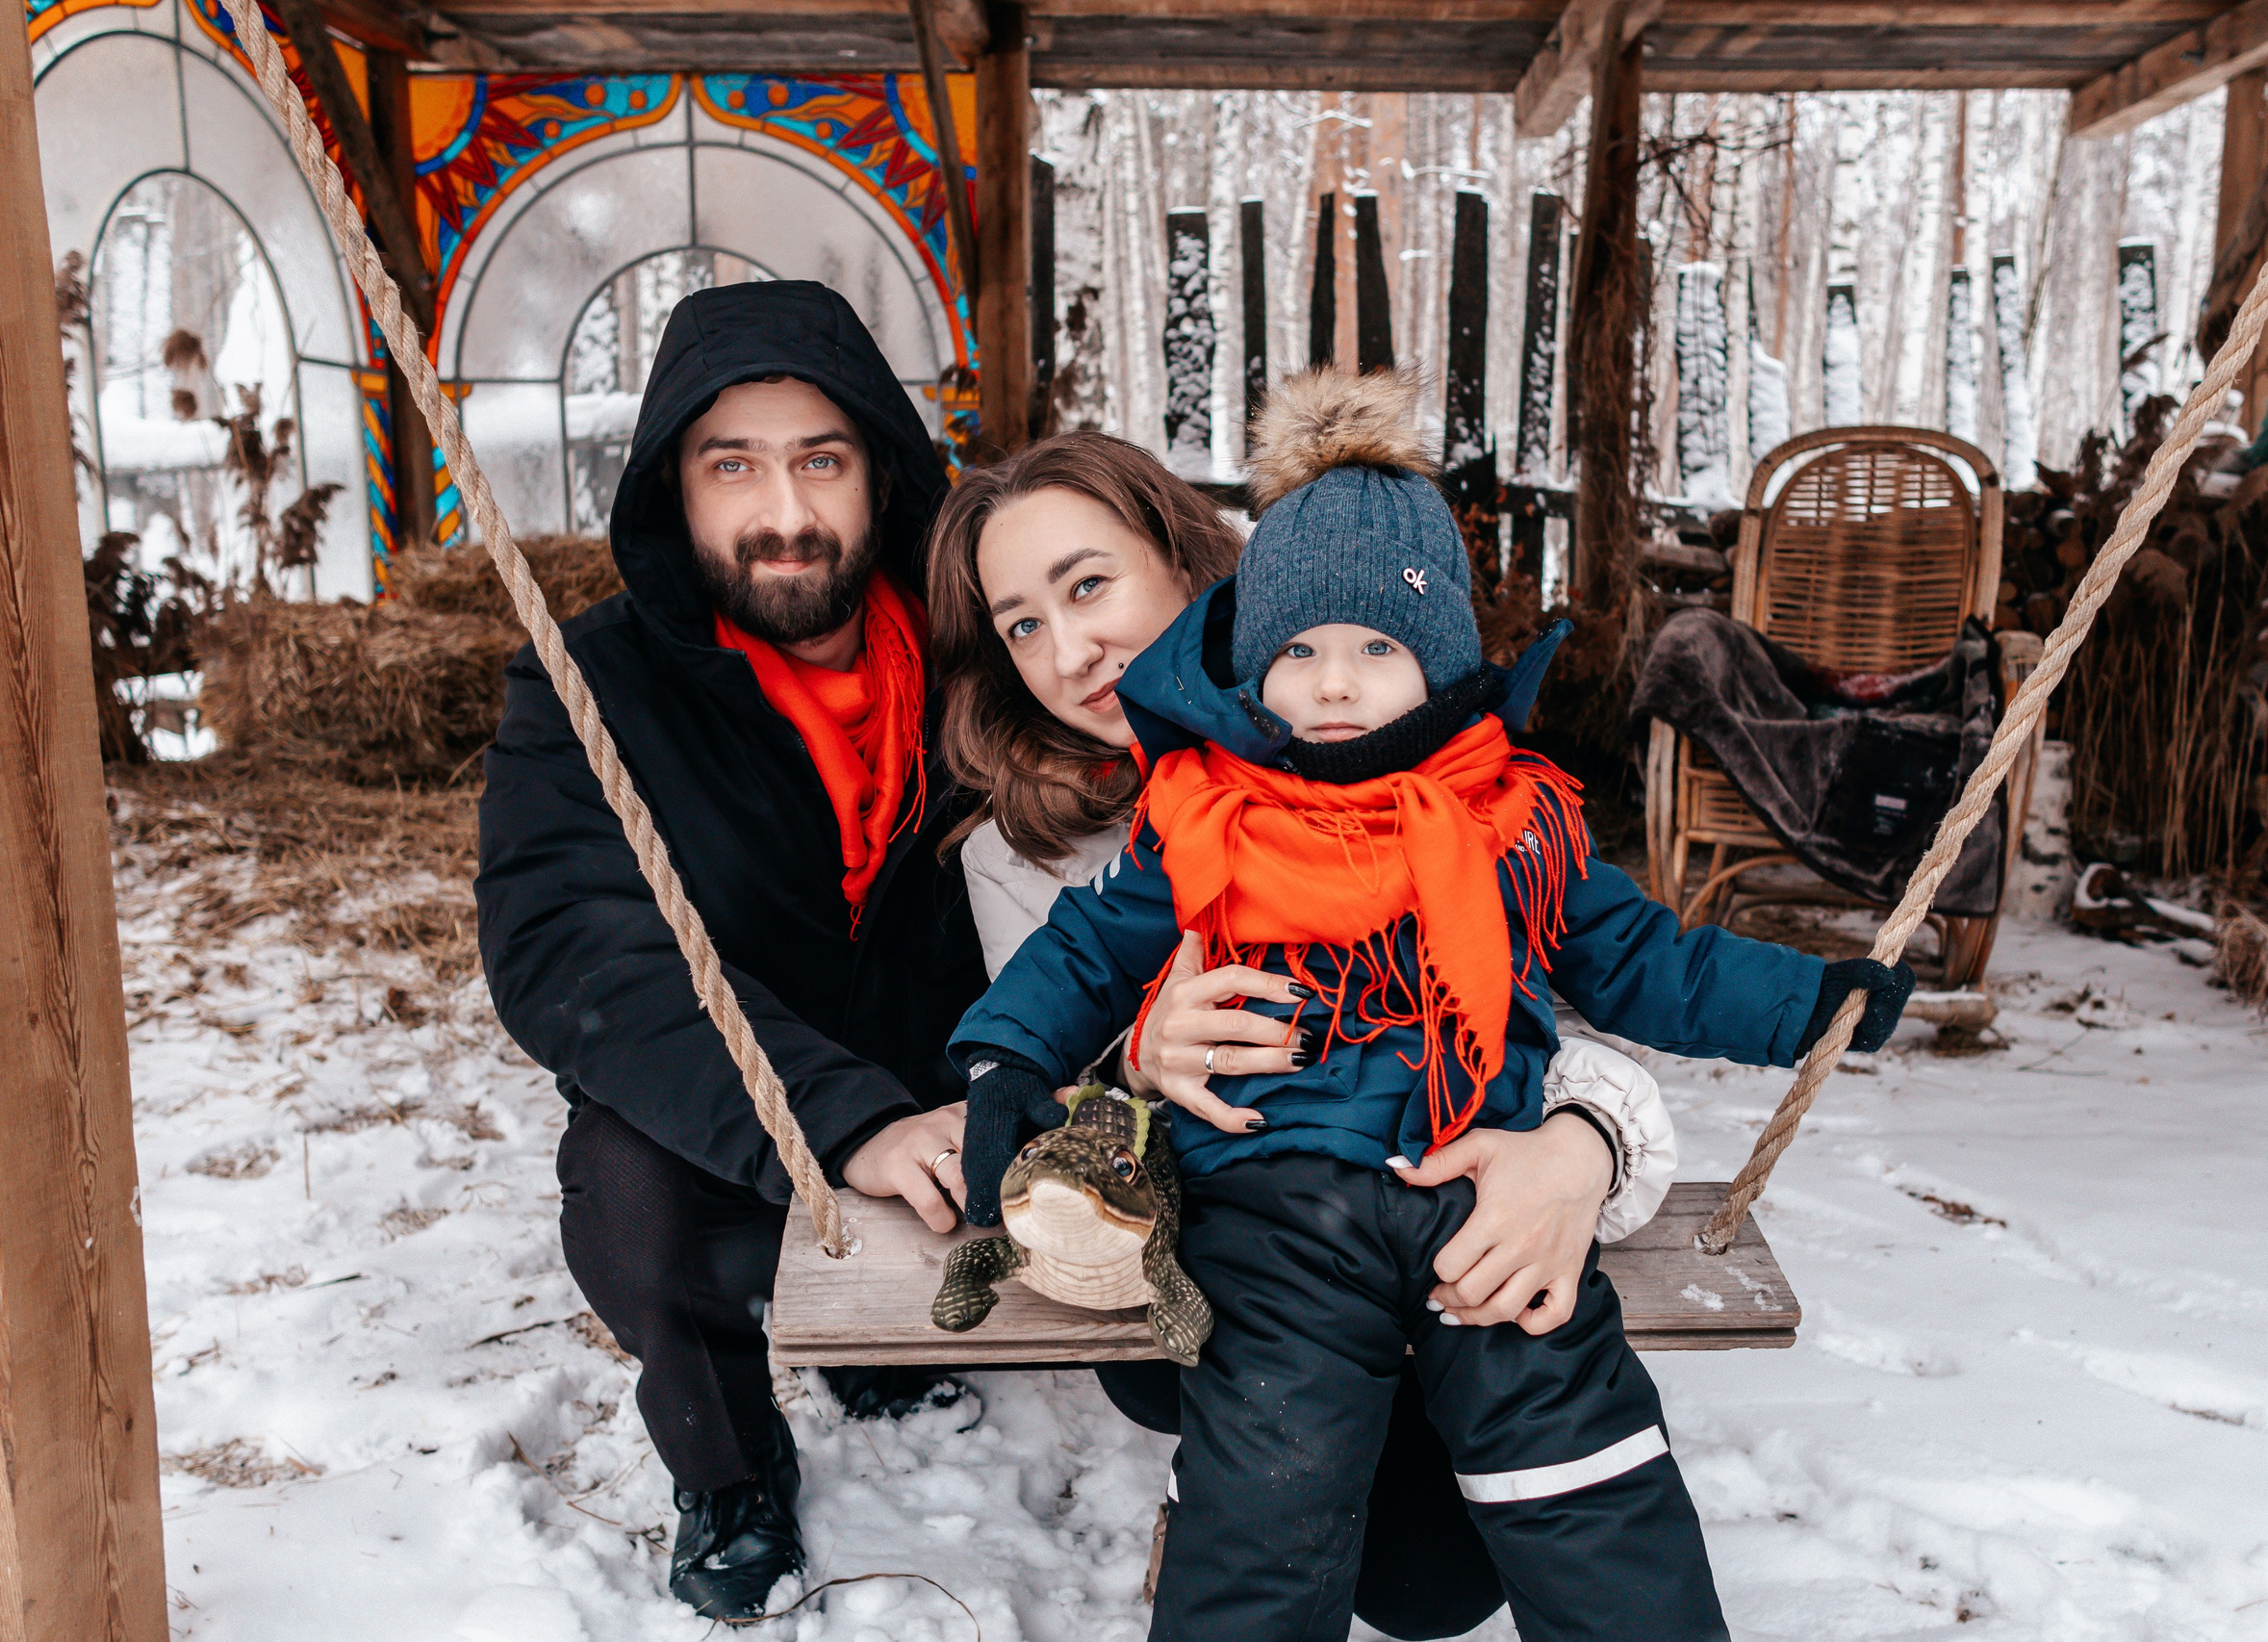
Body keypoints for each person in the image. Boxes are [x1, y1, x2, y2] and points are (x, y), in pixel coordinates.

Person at [948, 371, 1915, 1641]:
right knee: (1269, 1476)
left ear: (1442, 663)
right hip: (1276, 1206)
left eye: (1376, 649)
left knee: (1574, 1445)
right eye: (1298, 652)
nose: (1333, 685)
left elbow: (1646, 960)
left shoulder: (1516, 819)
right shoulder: (1206, 814)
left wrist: (1811, 1001)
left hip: (1476, 1187)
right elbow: (1081, 952)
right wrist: (1010, 1067)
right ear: (1251, 664)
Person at [474, 281, 997, 1621]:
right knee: (624, 1184)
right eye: (732, 466)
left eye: (820, 460)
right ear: (674, 486)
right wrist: (843, 1121)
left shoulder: (991, 657)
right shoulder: (588, 684)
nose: (783, 512)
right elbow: (570, 951)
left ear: (882, 472)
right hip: (739, 1110)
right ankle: (729, 1465)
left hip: (960, 1091)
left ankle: (882, 1337)